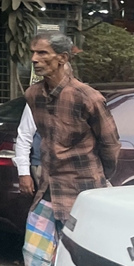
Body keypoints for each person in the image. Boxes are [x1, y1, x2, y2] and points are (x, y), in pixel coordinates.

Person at [18, 33, 119, 215]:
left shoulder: (87, 97)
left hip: (82, 190)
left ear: (62, 58)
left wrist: (100, 175)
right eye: (33, 53)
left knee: (77, 243)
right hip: (48, 190)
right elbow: (30, 136)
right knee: (34, 245)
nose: (34, 59)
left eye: (42, 53)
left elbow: (110, 144)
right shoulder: (34, 95)